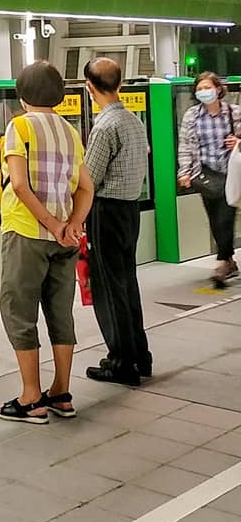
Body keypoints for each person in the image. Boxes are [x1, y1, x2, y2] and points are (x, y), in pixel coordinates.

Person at [0, 60, 94, 424]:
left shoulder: (18, 126)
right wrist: (72, 225)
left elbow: (19, 185)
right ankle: (61, 392)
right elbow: (87, 186)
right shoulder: (70, 131)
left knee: (18, 311)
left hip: (27, 232)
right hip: (65, 238)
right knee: (59, 310)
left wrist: (52, 224)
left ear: (22, 97)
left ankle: (31, 397)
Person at [82, 58, 152, 386]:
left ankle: (120, 362)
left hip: (106, 212)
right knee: (127, 282)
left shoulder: (104, 127)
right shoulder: (134, 122)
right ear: (120, 84)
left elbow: (89, 179)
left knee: (109, 287)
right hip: (130, 210)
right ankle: (140, 355)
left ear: (90, 87)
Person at [177, 71, 240, 288]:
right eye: (200, 89)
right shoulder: (192, 116)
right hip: (204, 174)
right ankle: (229, 260)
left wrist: (238, 141)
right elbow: (185, 145)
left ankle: (222, 261)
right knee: (215, 218)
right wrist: (184, 172)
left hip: (230, 173)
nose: (204, 92)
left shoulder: (234, 113)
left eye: (208, 87)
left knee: (225, 216)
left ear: (219, 89)